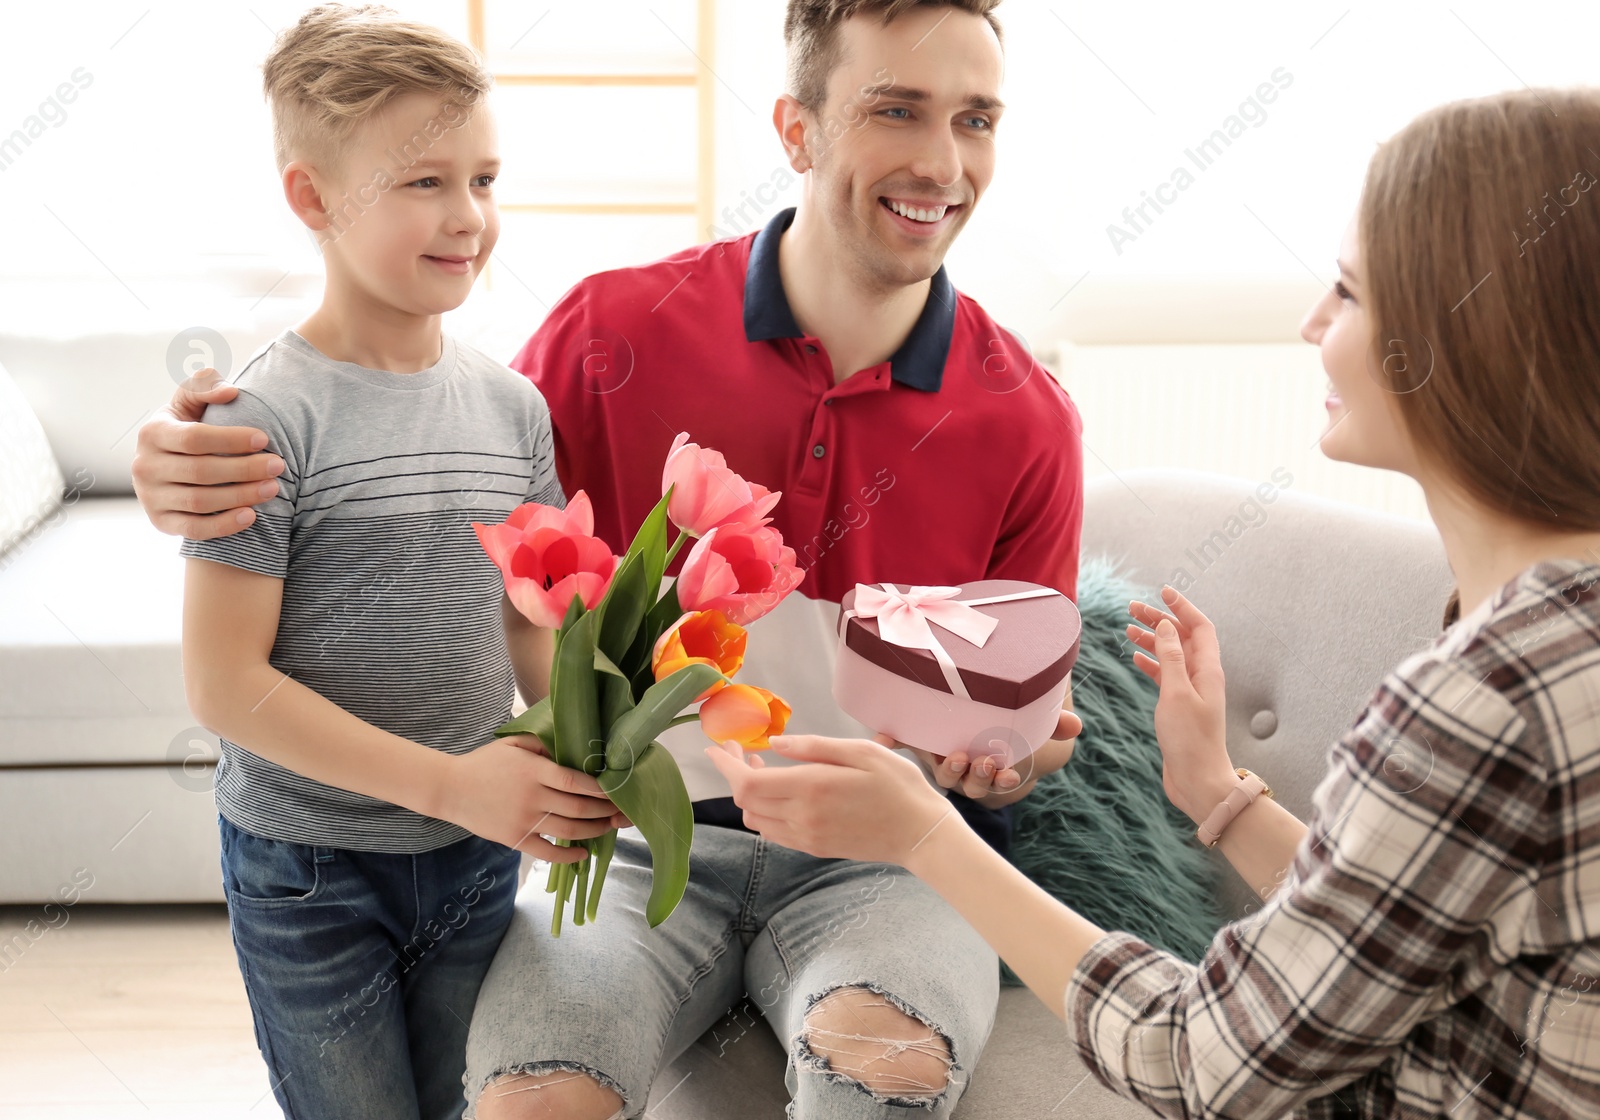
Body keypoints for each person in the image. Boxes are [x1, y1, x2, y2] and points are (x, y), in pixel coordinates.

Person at [136, 2, 1085, 1114]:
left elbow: (1024, 709)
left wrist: (1012, 755)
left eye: (976, 118)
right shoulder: (603, 341)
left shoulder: (1027, 419)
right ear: (796, 129)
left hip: (893, 865)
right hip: (631, 857)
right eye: (896, 109)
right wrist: (180, 459)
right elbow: (418, 457)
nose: (942, 161)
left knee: (878, 1076)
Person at [709, 86, 1600, 1118]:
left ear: (1479, 334)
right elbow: (1404, 922)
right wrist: (1214, 791)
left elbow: (1203, 1059)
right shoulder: (1543, 649)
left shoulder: (1480, 701)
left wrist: (923, 835)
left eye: (1351, 294)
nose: (1311, 320)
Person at [177, 7, 626, 1118]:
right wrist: (457, 784)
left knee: (463, 1098)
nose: (468, 216)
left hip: (474, 855)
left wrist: (587, 737)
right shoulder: (261, 419)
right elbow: (225, 685)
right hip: (309, 865)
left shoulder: (513, 405)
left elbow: (523, 617)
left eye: (483, 178)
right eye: (424, 182)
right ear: (313, 198)